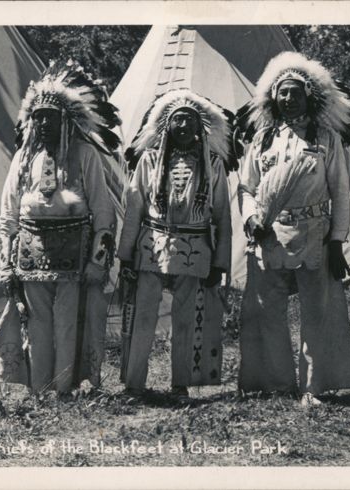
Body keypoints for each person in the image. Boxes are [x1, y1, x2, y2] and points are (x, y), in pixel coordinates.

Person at [235, 52, 350, 407]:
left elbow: (340, 191)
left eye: (296, 92)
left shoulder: (326, 139)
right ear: (273, 97)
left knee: (317, 310)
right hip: (270, 233)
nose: (289, 99)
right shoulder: (262, 139)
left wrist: (337, 242)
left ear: (309, 97)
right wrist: (252, 219)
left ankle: (314, 386)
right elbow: (246, 187)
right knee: (266, 309)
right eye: (283, 93)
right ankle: (276, 382)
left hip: (314, 232)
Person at [0, 60, 120, 395]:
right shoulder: (24, 158)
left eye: (51, 116)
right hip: (30, 256)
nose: (44, 123)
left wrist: (97, 262)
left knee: (67, 323)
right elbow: (8, 214)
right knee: (37, 323)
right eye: (39, 117)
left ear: (66, 120)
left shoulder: (85, 154)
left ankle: (63, 389)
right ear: (30, 120)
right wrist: (6, 265)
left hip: (74, 257)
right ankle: (39, 389)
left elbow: (103, 211)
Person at [117, 89, 232, 398]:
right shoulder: (149, 160)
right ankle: (134, 384)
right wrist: (126, 255)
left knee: (188, 317)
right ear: (166, 126)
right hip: (151, 246)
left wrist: (220, 263)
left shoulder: (213, 164)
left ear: (199, 127)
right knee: (143, 315)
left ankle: (181, 384)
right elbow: (134, 209)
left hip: (195, 248)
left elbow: (222, 216)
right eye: (177, 120)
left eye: (189, 121)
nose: (183, 126)